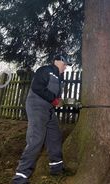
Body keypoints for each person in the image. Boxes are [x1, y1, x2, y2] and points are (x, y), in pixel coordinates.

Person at [12, 54, 72, 184]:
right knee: (36, 138)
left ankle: (56, 168)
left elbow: (55, 97)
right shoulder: (45, 70)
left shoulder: (59, 78)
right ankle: (20, 178)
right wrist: (54, 99)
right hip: (36, 106)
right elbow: (37, 87)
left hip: (48, 109)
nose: (66, 67)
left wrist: (60, 101)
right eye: (65, 64)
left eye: (67, 65)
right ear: (57, 61)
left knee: (55, 136)